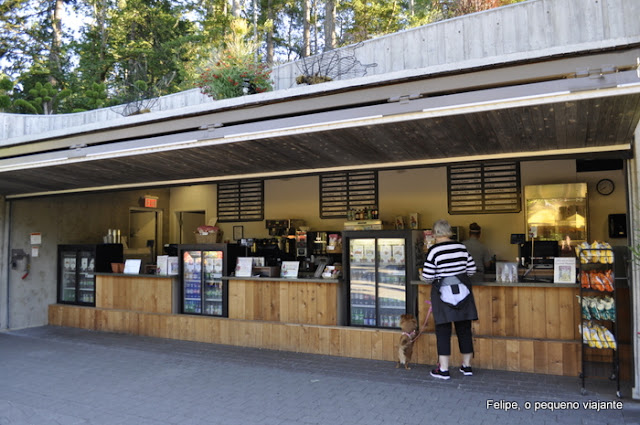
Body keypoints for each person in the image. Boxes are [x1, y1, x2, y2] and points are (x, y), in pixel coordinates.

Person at [422, 219, 478, 380]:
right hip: (463, 294)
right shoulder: (461, 247)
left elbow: (427, 276)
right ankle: (467, 367)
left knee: (443, 331)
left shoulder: (434, 251)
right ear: (450, 231)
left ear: (434, 233)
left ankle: (444, 370)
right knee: (464, 329)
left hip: (443, 295)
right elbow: (472, 269)